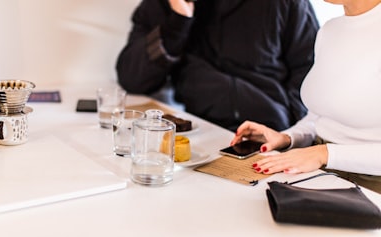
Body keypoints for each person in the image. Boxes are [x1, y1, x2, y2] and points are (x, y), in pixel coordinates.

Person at [231, 0, 381, 193]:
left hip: (371, 187)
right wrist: (288, 137)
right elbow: (321, 115)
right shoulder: (330, 30)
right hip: (319, 174)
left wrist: (324, 153)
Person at [116, 0, 319, 132]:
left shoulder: (286, 4)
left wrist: (290, 132)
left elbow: (312, 69)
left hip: (271, 133)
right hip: (199, 131)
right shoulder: (163, 6)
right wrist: (178, 24)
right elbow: (131, 78)